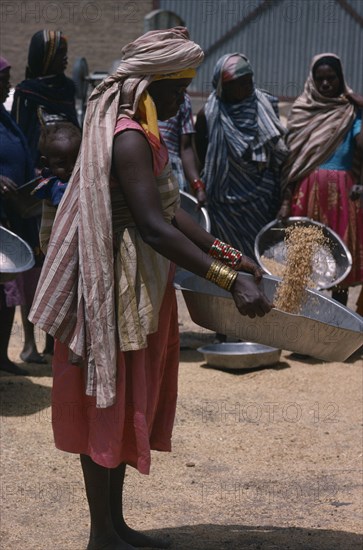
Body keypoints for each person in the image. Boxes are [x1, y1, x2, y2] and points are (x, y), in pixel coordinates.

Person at [29, 28, 273, 550]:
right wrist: (230, 283)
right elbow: (154, 226)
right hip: (110, 282)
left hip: (139, 280)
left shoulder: (146, 130)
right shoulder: (129, 137)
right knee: (105, 397)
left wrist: (232, 253)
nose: (181, 98)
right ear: (148, 84)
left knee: (122, 398)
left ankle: (114, 527)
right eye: (176, 88)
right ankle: (101, 534)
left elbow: (173, 212)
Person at [278, 53, 363, 306]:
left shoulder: (350, 111)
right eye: (320, 79)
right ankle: (303, 325)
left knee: (339, 260)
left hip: (343, 197)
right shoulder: (302, 111)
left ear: (341, 79)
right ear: (312, 81)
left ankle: (336, 323)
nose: (326, 84)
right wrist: (284, 201)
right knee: (305, 260)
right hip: (306, 194)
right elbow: (291, 163)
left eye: (331, 79)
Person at [195, 53, 289, 259]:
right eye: (240, 83)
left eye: (250, 81)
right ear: (223, 86)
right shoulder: (208, 115)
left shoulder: (264, 107)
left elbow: (278, 156)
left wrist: (284, 200)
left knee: (260, 258)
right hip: (223, 205)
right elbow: (201, 157)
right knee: (229, 260)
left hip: (260, 202)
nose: (248, 86)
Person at [0, 56, 40, 372]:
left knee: (8, 288)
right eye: (4, 78)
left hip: (13, 214)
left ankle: (1, 355)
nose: (9, 84)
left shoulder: (5, 117)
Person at [11, 30, 79, 167]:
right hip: (39, 165)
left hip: (72, 162)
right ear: (45, 56)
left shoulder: (68, 87)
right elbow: (19, 134)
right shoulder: (26, 91)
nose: (65, 57)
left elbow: (74, 123)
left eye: (65, 52)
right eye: (60, 53)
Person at [32, 120, 82, 253]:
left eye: (77, 160)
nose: (72, 168)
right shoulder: (58, 186)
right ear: (46, 163)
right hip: (58, 248)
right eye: (62, 163)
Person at [158, 92, 207, 206]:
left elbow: (185, 148)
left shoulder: (183, 100)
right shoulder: (139, 96)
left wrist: (197, 186)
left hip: (172, 175)